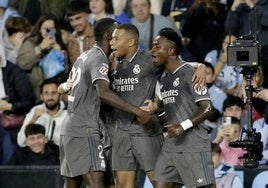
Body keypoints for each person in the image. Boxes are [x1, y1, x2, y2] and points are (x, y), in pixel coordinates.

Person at [109, 23, 207, 188]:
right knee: (122, 185)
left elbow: (179, 65)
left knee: (161, 183)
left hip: (144, 131)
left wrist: (201, 66)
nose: (111, 42)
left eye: (116, 39)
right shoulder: (113, 62)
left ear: (131, 42)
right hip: (121, 131)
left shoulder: (149, 58)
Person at [58, 18, 152, 188]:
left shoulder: (85, 55)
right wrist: (138, 112)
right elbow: (104, 93)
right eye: (116, 35)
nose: (117, 39)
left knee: (72, 183)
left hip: (70, 128)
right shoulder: (99, 58)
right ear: (109, 35)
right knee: (97, 183)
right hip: (84, 129)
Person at [150, 27, 215, 188]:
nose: (153, 50)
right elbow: (170, 114)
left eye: (157, 46)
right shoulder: (164, 78)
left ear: (171, 50)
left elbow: (207, 108)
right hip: (172, 144)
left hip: (193, 145)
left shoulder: (190, 73)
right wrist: (157, 110)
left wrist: (182, 126)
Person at [17, 13, 67, 103]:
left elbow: (65, 73)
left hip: (55, 96)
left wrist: (60, 55)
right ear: (39, 30)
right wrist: (40, 48)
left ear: (56, 30)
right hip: (35, 95)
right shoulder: (29, 43)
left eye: (51, 29)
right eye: (45, 29)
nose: (48, 32)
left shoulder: (60, 45)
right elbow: (22, 64)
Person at [0, 43, 35, 165]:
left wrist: (9, 106)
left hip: (10, 120)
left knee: (8, 151)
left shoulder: (15, 72)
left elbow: (28, 101)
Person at [17, 78, 67, 147]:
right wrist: (33, 119)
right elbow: (20, 142)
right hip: (37, 155)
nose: (50, 97)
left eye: (54, 93)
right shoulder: (35, 111)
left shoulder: (68, 115)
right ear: (41, 96)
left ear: (60, 95)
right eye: (46, 93)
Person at [65, 0, 95, 67]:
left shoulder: (99, 35)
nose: (75, 23)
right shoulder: (71, 42)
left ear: (87, 16)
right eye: (71, 20)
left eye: (78, 18)